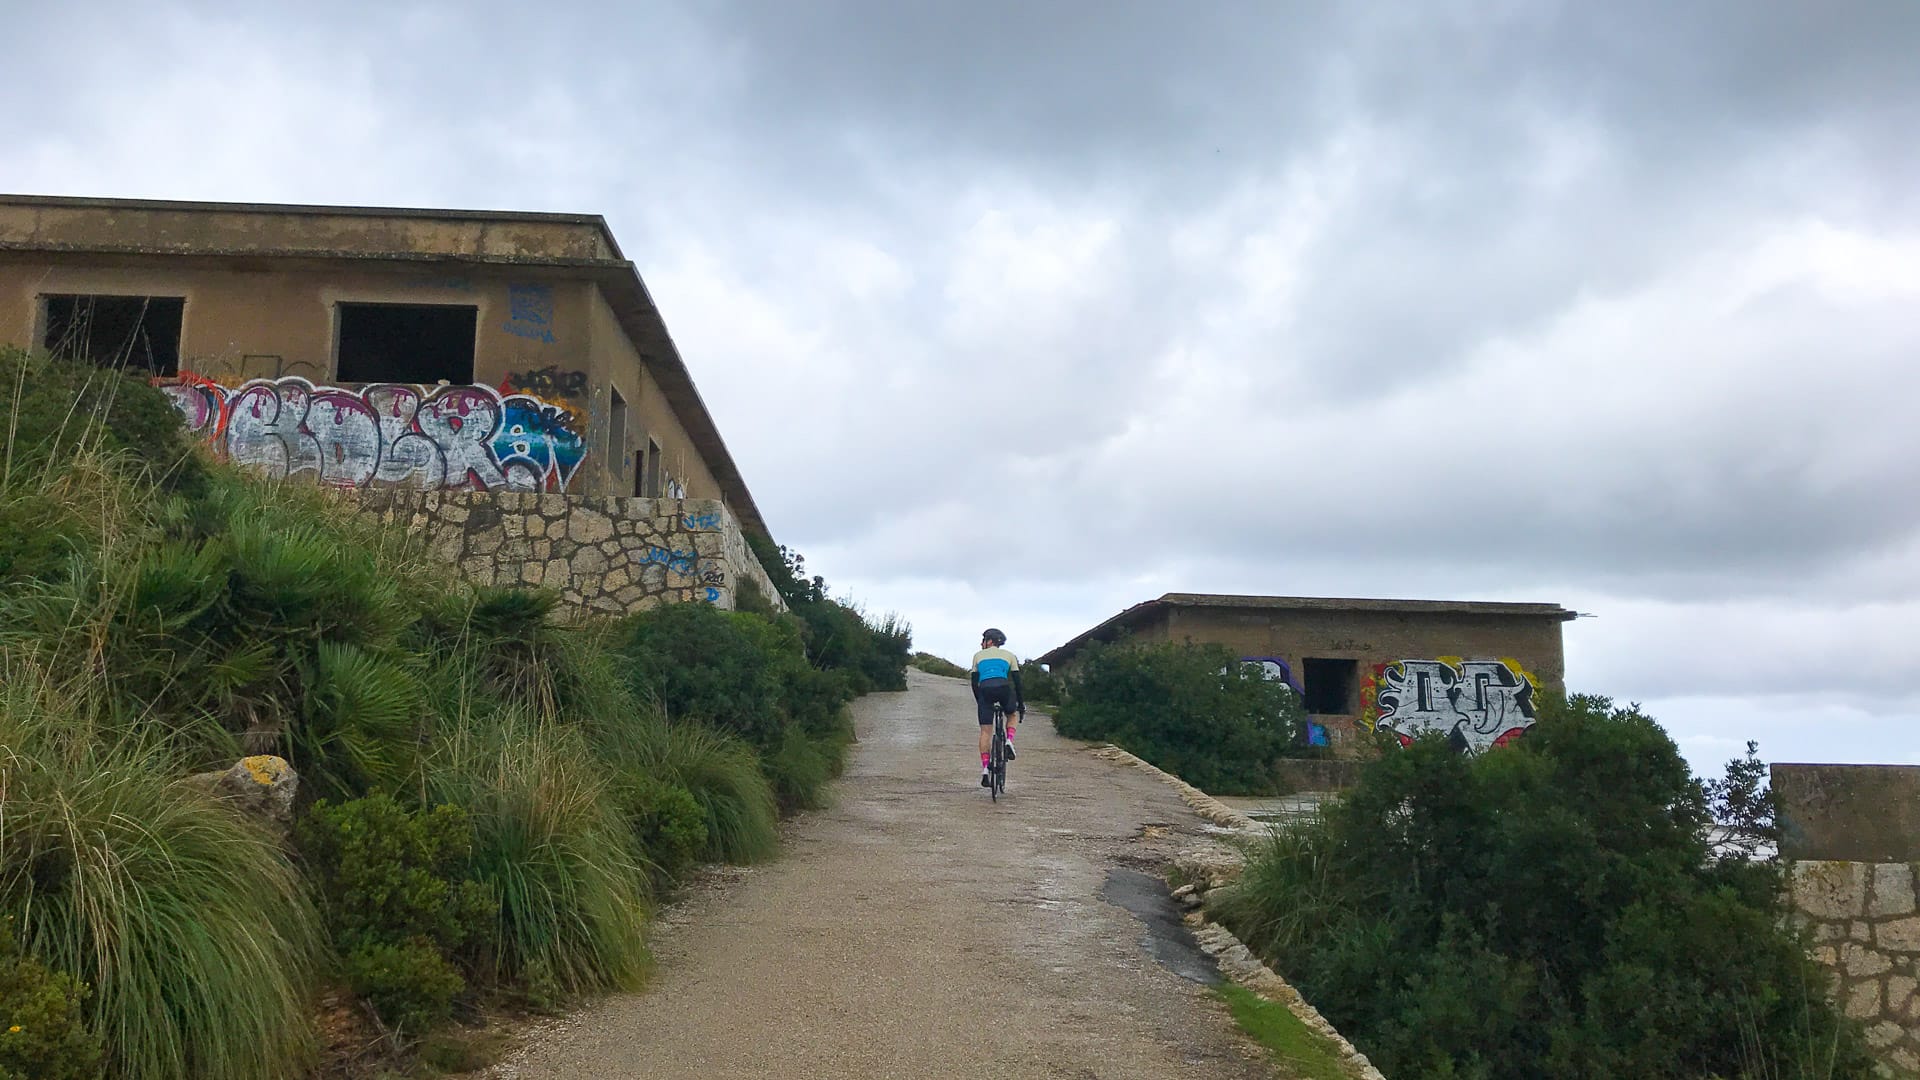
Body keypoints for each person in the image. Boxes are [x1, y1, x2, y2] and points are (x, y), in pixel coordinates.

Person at [969, 628, 1025, 786]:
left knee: (986, 731)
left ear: (990, 641)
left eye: (984, 640)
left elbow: (974, 682)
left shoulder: (977, 656)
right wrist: (1020, 705)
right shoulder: (1010, 655)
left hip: (985, 690)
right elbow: (1017, 682)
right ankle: (1009, 740)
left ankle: (985, 769)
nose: (981, 644)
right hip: (1003, 688)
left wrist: (980, 701)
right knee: (1012, 714)